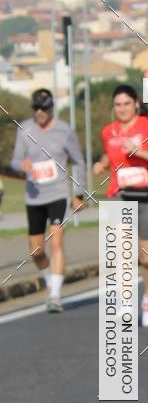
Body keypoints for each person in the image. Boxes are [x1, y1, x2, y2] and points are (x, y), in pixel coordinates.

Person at [94, 85, 148, 326]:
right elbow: (111, 153)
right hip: (120, 195)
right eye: (118, 105)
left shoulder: (147, 127)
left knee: (146, 258)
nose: (122, 109)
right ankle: (126, 301)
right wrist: (102, 163)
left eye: (126, 104)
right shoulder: (109, 131)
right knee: (121, 253)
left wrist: (140, 152)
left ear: (136, 103)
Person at [10, 88, 86, 313]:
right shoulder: (24, 129)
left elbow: (79, 162)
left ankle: (55, 295)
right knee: (36, 252)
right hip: (33, 196)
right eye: (36, 108)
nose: (40, 112)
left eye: (44, 108)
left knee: (56, 242)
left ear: (52, 107)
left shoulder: (65, 131)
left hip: (58, 194)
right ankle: (49, 281)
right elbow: (15, 160)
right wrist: (20, 166)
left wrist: (78, 194)